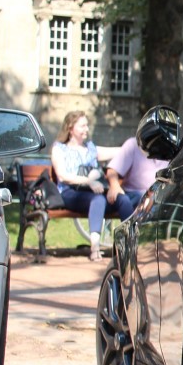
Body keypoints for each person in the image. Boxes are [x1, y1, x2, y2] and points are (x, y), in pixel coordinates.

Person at [50, 110, 122, 261]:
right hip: (69, 193)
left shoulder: (91, 149)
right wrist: (88, 181)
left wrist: (134, 146)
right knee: (98, 200)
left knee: (121, 199)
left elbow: (118, 151)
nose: (86, 130)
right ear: (70, 128)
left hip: (93, 193)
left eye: (87, 126)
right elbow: (62, 175)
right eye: (82, 126)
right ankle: (95, 248)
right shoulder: (59, 149)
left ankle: (132, 245)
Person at [106, 136, 167, 220]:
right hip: (134, 195)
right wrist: (114, 186)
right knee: (137, 197)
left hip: (161, 197)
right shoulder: (133, 144)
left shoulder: (171, 147)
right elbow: (112, 171)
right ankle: (131, 231)